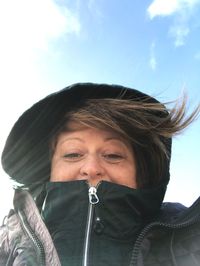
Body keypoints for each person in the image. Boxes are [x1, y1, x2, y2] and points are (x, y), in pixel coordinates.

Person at [0, 82, 200, 266]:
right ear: (50, 171)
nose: (91, 167)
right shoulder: (7, 246)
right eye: (73, 154)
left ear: (141, 174)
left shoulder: (191, 237)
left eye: (113, 155)